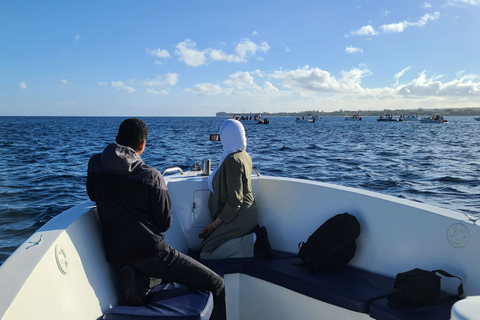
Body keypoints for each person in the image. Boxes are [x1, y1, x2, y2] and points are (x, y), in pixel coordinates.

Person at [86, 118, 225, 319]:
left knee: (162, 272)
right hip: (151, 254)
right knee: (216, 284)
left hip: (115, 253)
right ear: (142, 145)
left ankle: (139, 280)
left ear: (116, 139)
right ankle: (142, 277)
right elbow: (164, 224)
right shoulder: (151, 176)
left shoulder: (94, 164)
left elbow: (92, 195)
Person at [192, 119, 273, 260]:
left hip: (240, 216)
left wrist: (214, 225)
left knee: (206, 254)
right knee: (204, 246)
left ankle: (254, 240)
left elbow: (235, 201)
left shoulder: (232, 160)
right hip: (239, 213)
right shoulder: (243, 155)